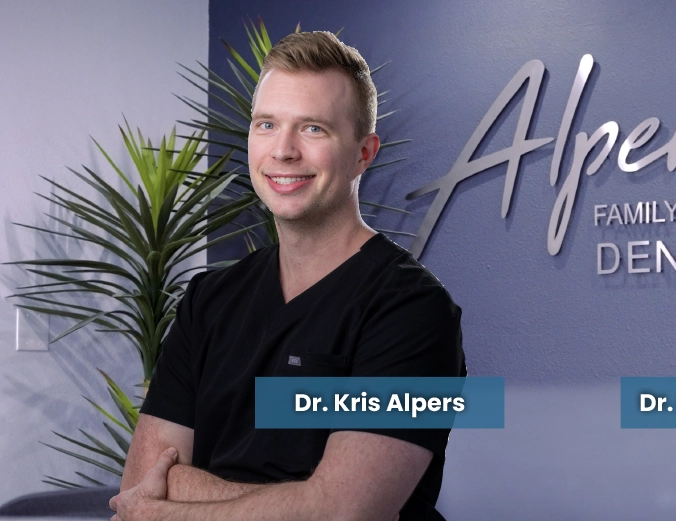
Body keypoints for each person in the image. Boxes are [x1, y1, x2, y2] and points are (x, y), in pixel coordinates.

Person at [109, 31, 465, 521]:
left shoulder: (412, 311)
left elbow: (343, 512)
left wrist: (169, 508)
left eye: (313, 129)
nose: (283, 150)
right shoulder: (207, 301)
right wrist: (298, 498)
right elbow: (141, 478)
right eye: (266, 124)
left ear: (365, 152)